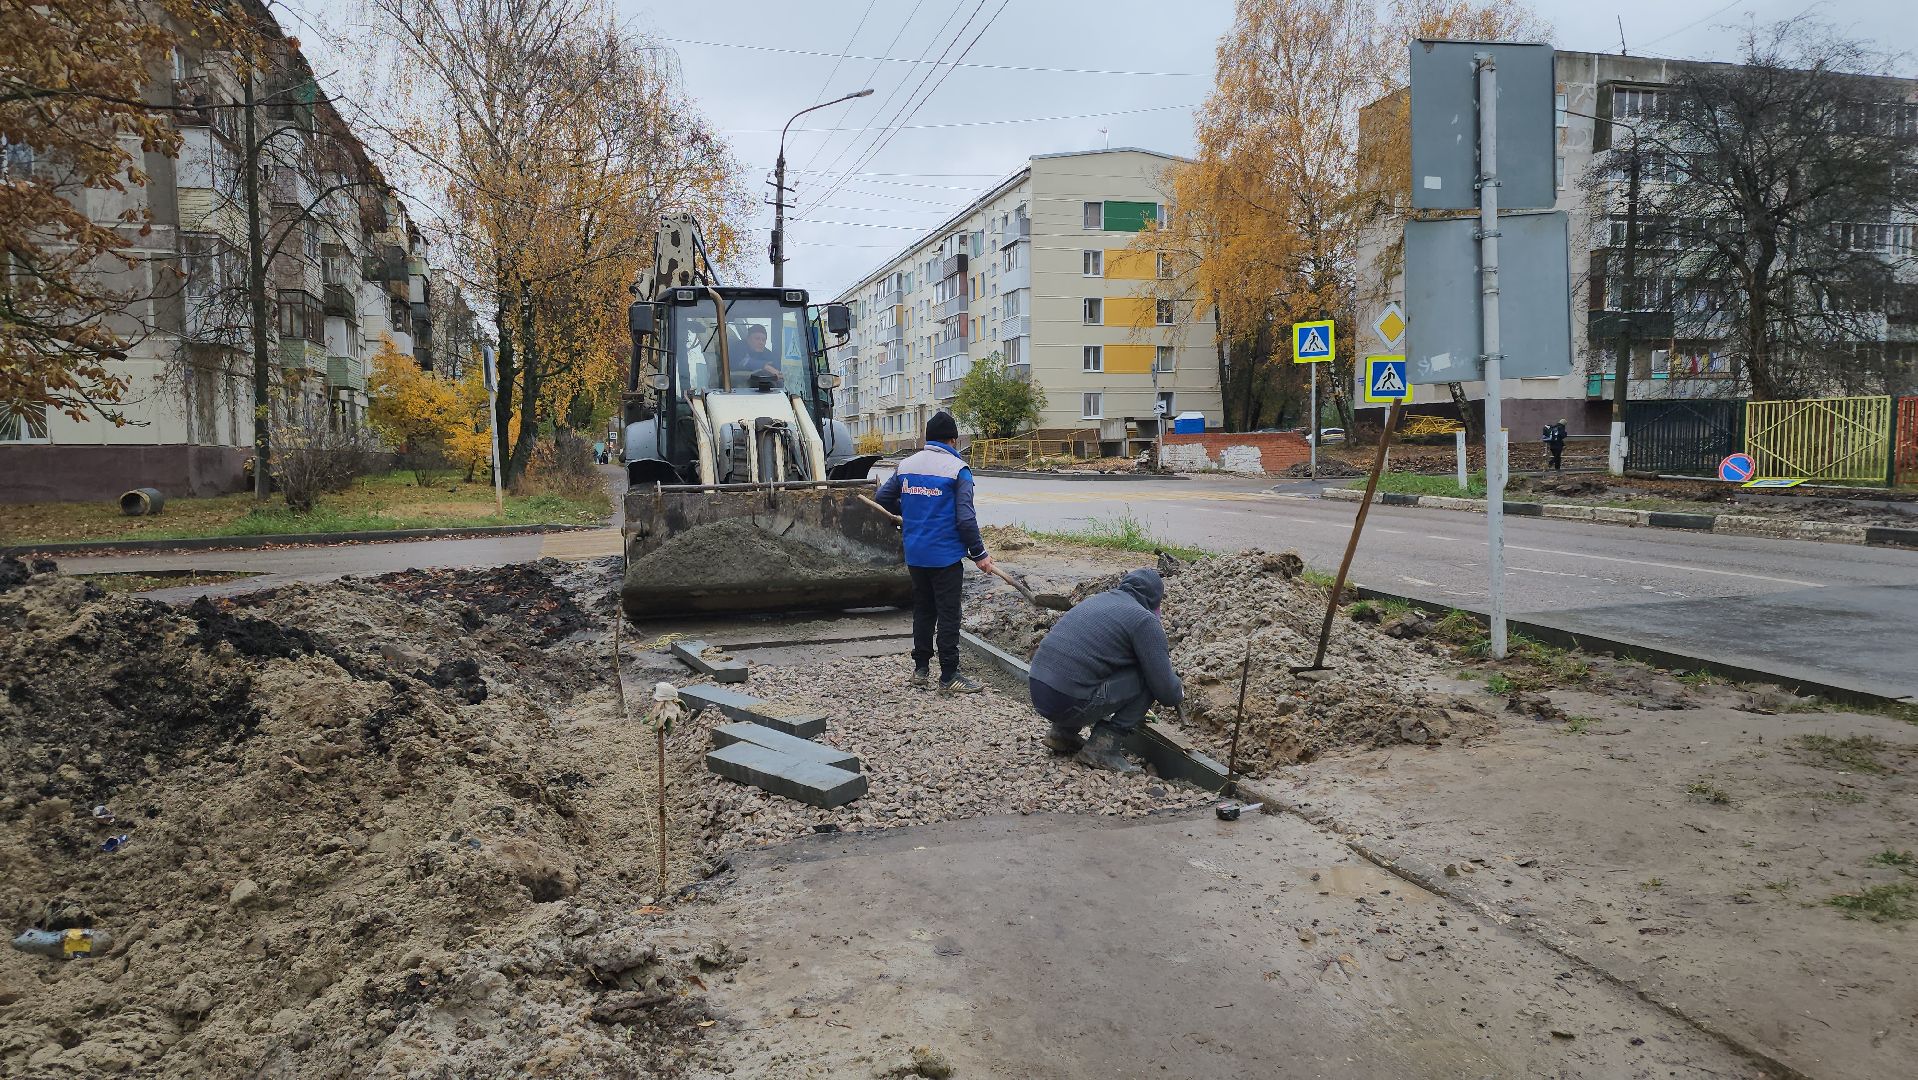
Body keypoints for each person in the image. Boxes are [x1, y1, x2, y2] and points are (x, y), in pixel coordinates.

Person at [874, 411, 993, 694]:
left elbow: (882, 499)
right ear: (952, 440)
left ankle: (921, 670)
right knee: (949, 613)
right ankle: (949, 675)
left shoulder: (906, 465)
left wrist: (912, 512)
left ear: (928, 438)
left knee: (924, 610)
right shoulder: (957, 469)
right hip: (945, 556)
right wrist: (980, 554)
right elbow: (965, 519)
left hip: (915, 553)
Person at [1028, 568, 1183, 774]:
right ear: (1155, 599)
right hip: (1068, 701)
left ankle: (1062, 733)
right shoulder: (1144, 620)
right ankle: (1103, 748)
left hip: (1039, 690)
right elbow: (1166, 692)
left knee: (1096, 663)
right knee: (1149, 678)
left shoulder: (1099, 600)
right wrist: (1178, 689)